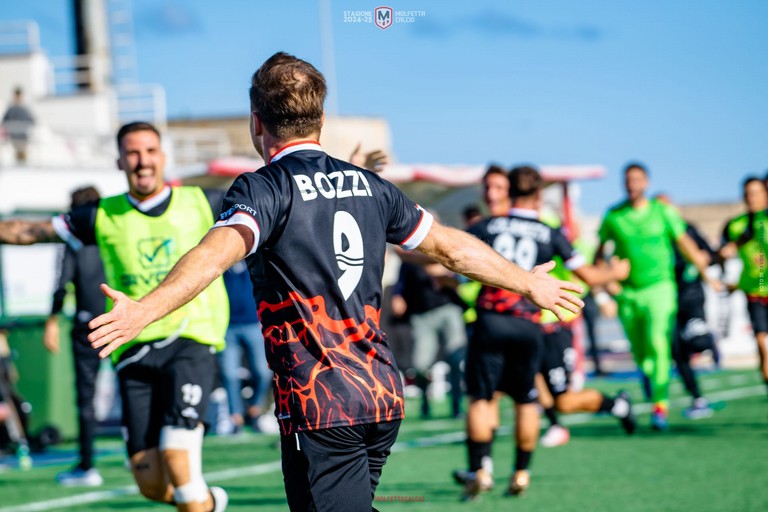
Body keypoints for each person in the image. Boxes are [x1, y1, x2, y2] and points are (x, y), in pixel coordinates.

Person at [84, 52, 583, 512]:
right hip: (380, 394)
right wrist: (528, 283)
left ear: (256, 122)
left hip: (321, 401)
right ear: (319, 120)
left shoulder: (264, 187)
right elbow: (451, 247)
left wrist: (142, 311)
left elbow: (215, 254)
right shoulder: (371, 186)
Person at [0, 121, 229, 512]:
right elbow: (30, 231)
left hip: (191, 341)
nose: (143, 161)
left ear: (163, 156)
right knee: (151, 483)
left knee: (179, 459)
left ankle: (198, 499)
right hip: (133, 351)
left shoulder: (202, 201)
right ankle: (209, 503)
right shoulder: (101, 214)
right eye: (133, 153)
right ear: (120, 160)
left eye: (150, 151)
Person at [460, 166, 632, 499]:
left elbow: (451, 256)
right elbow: (589, 276)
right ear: (539, 194)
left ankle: (481, 468)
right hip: (529, 323)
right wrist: (615, 271)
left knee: (481, 399)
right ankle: (522, 472)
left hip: (490, 320)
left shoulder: (485, 226)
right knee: (527, 400)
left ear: (508, 191)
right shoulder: (549, 232)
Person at [597, 162, 713, 431]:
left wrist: (710, 277)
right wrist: (605, 286)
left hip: (660, 289)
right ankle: (654, 379)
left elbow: (688, 245)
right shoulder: (614, 216)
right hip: (627, 293)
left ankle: (660, 406)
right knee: (641, 355)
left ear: (646, 182)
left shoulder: (663, 212)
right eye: (627, 180)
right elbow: (599, 254)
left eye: (637, 179)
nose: (632, 184)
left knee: (659, 344)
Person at [43, 186, 106, 486]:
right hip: (124, 320)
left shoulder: (75, 242)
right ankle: (146, 456)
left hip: (88, 328)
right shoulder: (113, 235)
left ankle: (87, 465)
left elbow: (61, 283)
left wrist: (52, 320)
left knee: (86, 397)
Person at [720, 176, 768, 398]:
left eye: (757, 193)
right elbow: (722, 254)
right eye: (748, 194)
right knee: (761, 343)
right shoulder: (736, 225)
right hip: (755, 293)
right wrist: (724, 261)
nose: (753, 198)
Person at [218, 260, 271, 433]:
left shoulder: (256, 260)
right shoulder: (221, 263)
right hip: (227, 325)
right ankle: (236, 418)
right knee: (229, 374)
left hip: (253, 323)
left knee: (263, 371)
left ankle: (254, 410)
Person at [2, 87, 35, 164]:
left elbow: (32, 121)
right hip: (14, 137)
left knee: (23, 153)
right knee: (16, 155)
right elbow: (4, 121)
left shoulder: (25, 108)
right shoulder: (10, 109)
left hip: (23, 136)